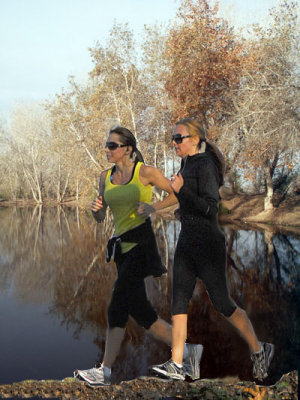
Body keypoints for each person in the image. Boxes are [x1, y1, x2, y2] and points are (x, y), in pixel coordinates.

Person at [74, 126, 203, 386]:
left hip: (142, 244)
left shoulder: (145, 172)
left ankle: (104, 371)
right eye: (106, 145)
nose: (107, 150)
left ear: (128, 149)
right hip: (120, 248)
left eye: (113, 145)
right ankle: (190, 352)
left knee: (117, 304)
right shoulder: (105, 177)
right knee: (143, 314)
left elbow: (177, 194)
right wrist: (96, 210)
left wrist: (153, 207)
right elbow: (100, 217)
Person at [151, 118, 274, 381]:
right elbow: (183, 199)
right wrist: (166, 201)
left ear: (194, 139)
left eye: (178, 138)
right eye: (173, 138)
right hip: (187, 241)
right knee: (178, 300)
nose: (174, 142)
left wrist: (182, 191)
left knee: (223, 304)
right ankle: (179, 362)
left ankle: (258, 350)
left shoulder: (206, 165)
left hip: (208, 244)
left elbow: (209, 207)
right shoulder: (186, 163)